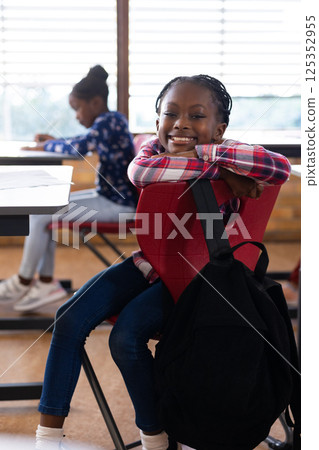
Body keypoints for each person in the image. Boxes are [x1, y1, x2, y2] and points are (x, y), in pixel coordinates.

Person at [33, 74, 291, 450]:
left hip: (199, 281)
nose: (182, 123)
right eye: (171, 113)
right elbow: (140, 172)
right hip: (151, 265)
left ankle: (156, 439)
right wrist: (222, 171)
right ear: (156, 123)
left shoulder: (230, 149)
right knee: (67, 319)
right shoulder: (154, 154)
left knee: (126, 337)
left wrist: (205, 156)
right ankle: (47, 440)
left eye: (196, 115)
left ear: (219, 129)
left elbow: (278, 167)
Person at [0, 65, 137, 312]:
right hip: (111, 199)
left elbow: (80, 147)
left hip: (121, 206)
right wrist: (53, 144)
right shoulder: (110, 121)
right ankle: (42, 284)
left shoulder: (110, 121)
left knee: (42, 212)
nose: (76, 116)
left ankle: (25, 282)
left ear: (95, 103)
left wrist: (44, 148)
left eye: (77, 108)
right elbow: (79, 141)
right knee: (43, 209)